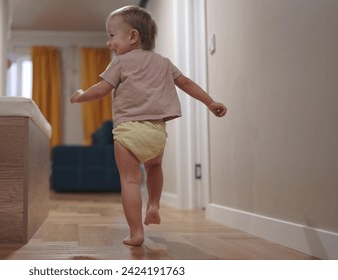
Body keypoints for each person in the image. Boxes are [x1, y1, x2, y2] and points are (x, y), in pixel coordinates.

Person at [70, 5, 227, 246]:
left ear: (133, 36)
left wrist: (81, 95)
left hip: (127, 132)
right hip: (156, 132)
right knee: (154, 168)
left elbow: (101, 90)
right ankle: (154, 204)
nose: (108, 42)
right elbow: (185, 82)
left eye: (111, 36)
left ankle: (136, 233)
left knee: (130, 181)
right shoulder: (163, 62)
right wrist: (210, 101)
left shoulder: (121, 63)